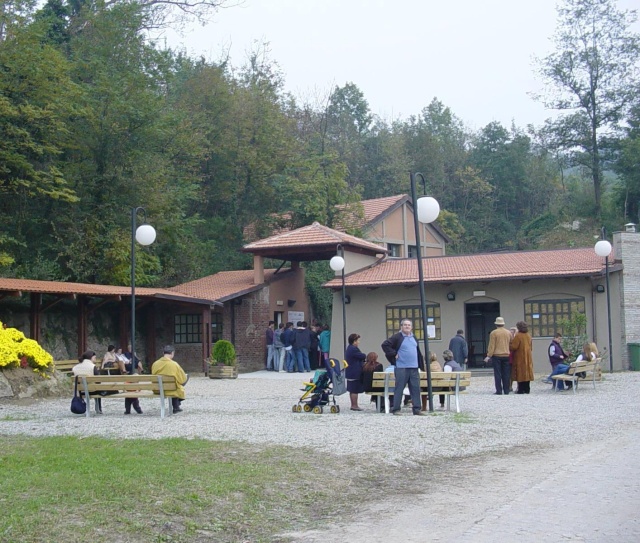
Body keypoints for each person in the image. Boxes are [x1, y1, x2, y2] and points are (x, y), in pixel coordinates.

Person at [381, 319, 427, 416]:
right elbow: (385, 345)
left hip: (414, 367)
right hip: (401, 367)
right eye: (405, 325)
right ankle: (396, 409)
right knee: (399, 388)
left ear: (411, 327)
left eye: (409, 325)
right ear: (401, 326)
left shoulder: (413, 337)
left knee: (415, 388)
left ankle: (417, 409)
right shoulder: (397, 337)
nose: (407, 326)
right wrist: (393, 353)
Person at [151, 345, 188, 413]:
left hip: (157, 389)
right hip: (171, 389)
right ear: (172, 353)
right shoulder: (174, 364)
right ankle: (176, 406)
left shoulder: (155, 364)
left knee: (174, 385)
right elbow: (182, 379)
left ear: (163, 353)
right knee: (178, 384)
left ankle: (176, 406)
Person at [485, 317, 512, 395]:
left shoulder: (494, 333)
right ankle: (506, 390)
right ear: (503, 324)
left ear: (496, 324)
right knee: (506, 373)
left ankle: (499, 390)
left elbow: (492, 345)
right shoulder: (508, 333)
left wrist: (489, 355)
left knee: (497, 373)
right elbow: (511, 343)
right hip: (506, 355)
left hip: (497, 355)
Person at [73, 350, 102, 414]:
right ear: (91, 358)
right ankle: (99, 408)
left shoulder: (75, 367)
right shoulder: (92, 367)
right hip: (92, 391)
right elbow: (98, 381)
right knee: (98, 387)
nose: (95, 359)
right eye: (95, 358)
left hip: (81, 391)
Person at [510, 321, 534, 394]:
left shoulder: (518, 336)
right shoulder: (528, 335)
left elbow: (514, 347)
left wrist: (509, 344)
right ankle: (527, 389)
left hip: (520, 357)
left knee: (520, 373)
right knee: (527, 372)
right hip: (528, 357)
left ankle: (521, 390)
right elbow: (531, 347)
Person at [344, 333, 367, 411]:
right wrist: (364, 355)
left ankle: (354, 405)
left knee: (352, 389)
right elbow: (362, 356)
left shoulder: (349, 348)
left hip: (351, 371)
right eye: (358, 340)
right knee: (354, 389)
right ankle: (354, 405)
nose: (358, 342)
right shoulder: (353, 349)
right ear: (354, 341)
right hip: (354, 372)